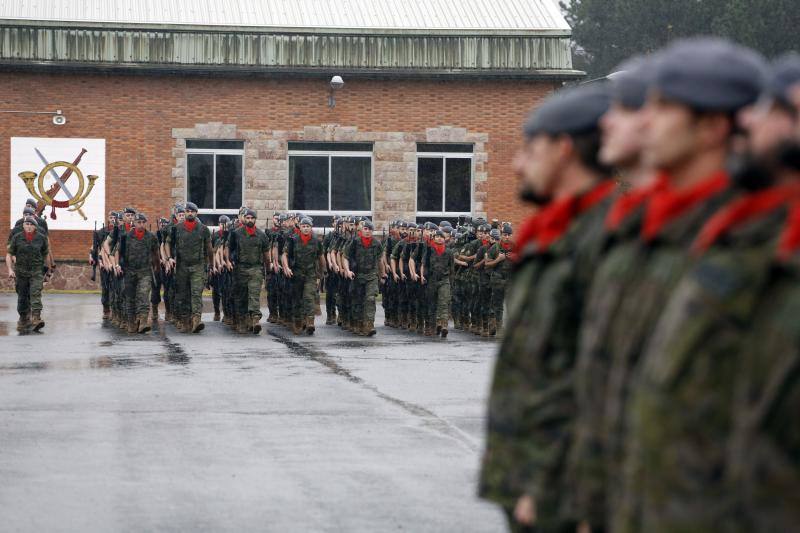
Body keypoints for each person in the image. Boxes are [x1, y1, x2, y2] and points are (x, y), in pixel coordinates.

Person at [617, 48, 797, 533]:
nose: (644, 121)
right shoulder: (725, 237)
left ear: (712, 126)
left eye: (662, 107)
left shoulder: (761, 248)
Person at [479, 82, 617, 532]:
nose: (517, 165)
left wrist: (569, 490)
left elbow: (601, 381)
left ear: (564, 150)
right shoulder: (553, 235)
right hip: (531, 471)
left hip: (566, 486)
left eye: (530, 150)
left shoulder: (608, 240)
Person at [165, 202, 213, 333]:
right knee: (183, 294)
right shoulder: (177, 228)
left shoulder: (203, 229)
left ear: (196, 213)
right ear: (185, 213)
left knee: (196, 293)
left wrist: (211, 265)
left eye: (192, 211)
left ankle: (196, 319)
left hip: (198, 266)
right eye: (188, 211)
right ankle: (185, 320)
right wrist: (169, 258)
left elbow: (209, 248)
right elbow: (167, 243)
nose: (190, 213)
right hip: (182, 266)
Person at [228, 208, 269, 334]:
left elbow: (266, 253)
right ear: (244, 219)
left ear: (255, 219)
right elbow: (230, 249)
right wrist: (230, 261)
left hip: (256, 268)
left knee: (254, 294)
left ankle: (255, 319)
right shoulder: (236, 234)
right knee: (241, 296)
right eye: (248, 218)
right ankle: (242, 321)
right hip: (240, 268)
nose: (250, 220)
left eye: (252, 218)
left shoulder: (261, 235)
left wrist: (268, 268)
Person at [117, 213, 159, 334]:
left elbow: (155, 253)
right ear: (134, 223)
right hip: (129, 271)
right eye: (138, 222)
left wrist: (157, 266)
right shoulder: (126, 237)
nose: (141, 225)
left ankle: (143, 322)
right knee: (130, 297)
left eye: (143, 222)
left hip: (145, 271)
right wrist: (118, 265)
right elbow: (118, 252)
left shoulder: (151, 237)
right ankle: (131, 323)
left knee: (144, 295)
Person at [283, 217, 325, 335]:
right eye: (304, 226)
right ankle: (298, 322)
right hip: (296, 274)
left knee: (309, 297)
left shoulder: (316, 241)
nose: (306, 228)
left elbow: (321, 257)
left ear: (311, 228)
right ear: (300, 227)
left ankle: (310, 321)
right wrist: (286, 267)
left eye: (308, 226)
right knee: (297, 299)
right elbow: (284, 255)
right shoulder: (293, 240)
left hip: (310, 274)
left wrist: (321, 273)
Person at [6, 216, 49, 332]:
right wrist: (10, 269)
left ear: (35, 227)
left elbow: (45, 254)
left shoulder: (41, 238)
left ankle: (36, 317)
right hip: (21, 272)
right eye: (27, 224)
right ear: (23, 226)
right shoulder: (17, 237)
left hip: (36, 271)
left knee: (35, 292)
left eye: (31, 225)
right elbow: (9, 254)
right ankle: (23, 318)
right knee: (22, 296)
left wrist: (47, 270)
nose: (29, 227)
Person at [343, 220, 384, 336]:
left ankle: (369, 325)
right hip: (357, 275)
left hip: (371, 275)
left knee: (370, 299)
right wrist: (347, 270)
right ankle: (358, 323)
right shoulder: (355, 242)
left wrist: (382, 274)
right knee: (358, 300)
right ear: (362, 230)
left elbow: (380, 260)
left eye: (370, 229)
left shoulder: (377, 243)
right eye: (365, 229)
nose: (367, 231)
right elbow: (345, 257)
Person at [484, 223, 514, 336]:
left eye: (509, 235)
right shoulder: (495, 247)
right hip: (497, 280)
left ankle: (511, 329)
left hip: (510, 280)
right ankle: (499, 328)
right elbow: (487, 264)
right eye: (505, 235)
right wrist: (498, 259)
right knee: (498, 305)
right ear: (501, 235)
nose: (507, 237)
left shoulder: (515, 247)